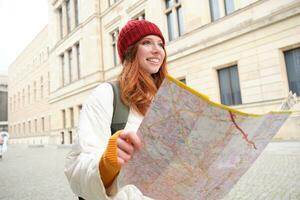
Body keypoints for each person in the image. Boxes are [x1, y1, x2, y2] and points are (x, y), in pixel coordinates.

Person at [65, 19, 168, 200]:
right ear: (130, 52)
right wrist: (107, 163)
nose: (157, 49)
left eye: (160, 44)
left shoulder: (166, 99)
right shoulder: (107, 94)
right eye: (146, 42)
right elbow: (77, 170)